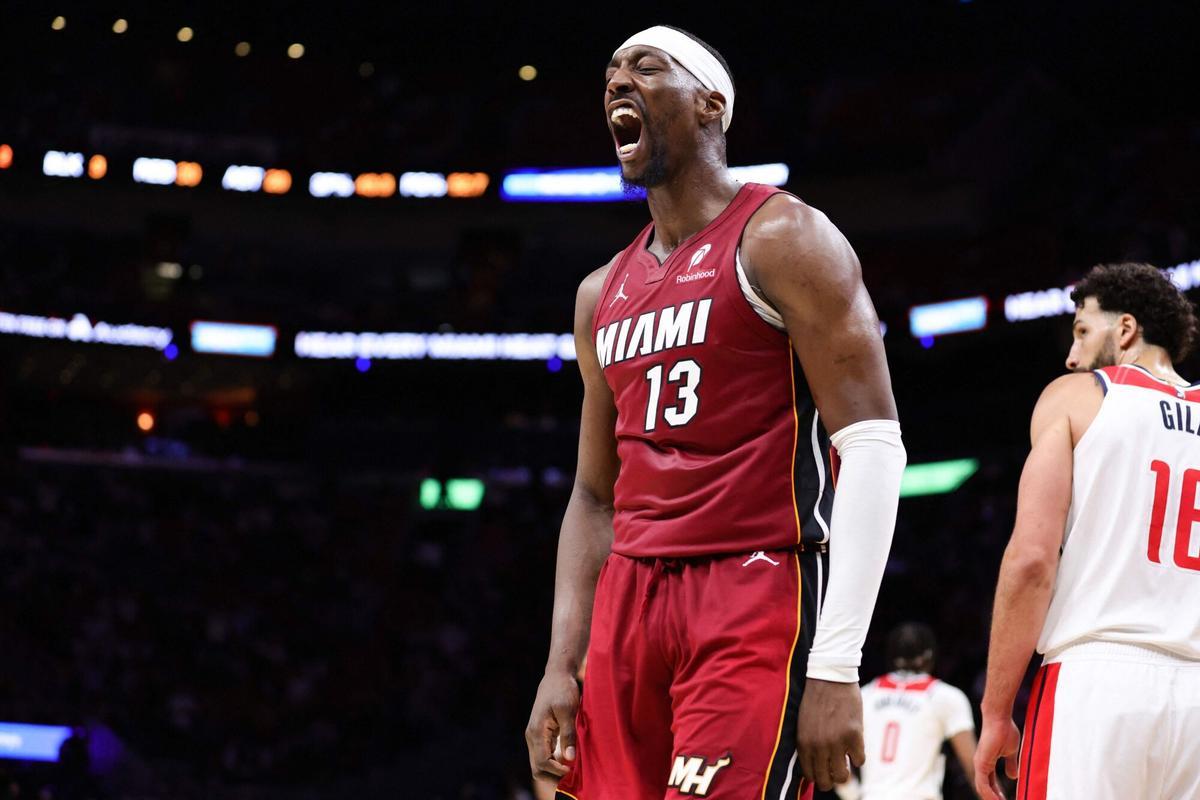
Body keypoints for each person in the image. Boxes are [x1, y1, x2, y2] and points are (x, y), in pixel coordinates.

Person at [524, 24, 907, 800]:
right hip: (630, 598)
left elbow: (873, 446)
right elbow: (595, 494)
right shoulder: (600, 292)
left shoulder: (784, 237)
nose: (617, 80)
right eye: (609, 72)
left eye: (645, 66)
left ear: (710, 106)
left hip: (753, 586)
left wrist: (837, 664)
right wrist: (561, 663)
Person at [974, 263, 1200, 800]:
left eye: (1081, 332)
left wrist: (996, 710)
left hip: (1096, 681)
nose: (1072, 356)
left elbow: (1032, 559)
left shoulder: (1078, 395)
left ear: (1125, 330)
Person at [836, 623, 979, 800]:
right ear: (930, 657)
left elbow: (837, 755)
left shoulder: (864, 695)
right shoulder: (945, 696)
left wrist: (851, 795)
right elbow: (974, 769)